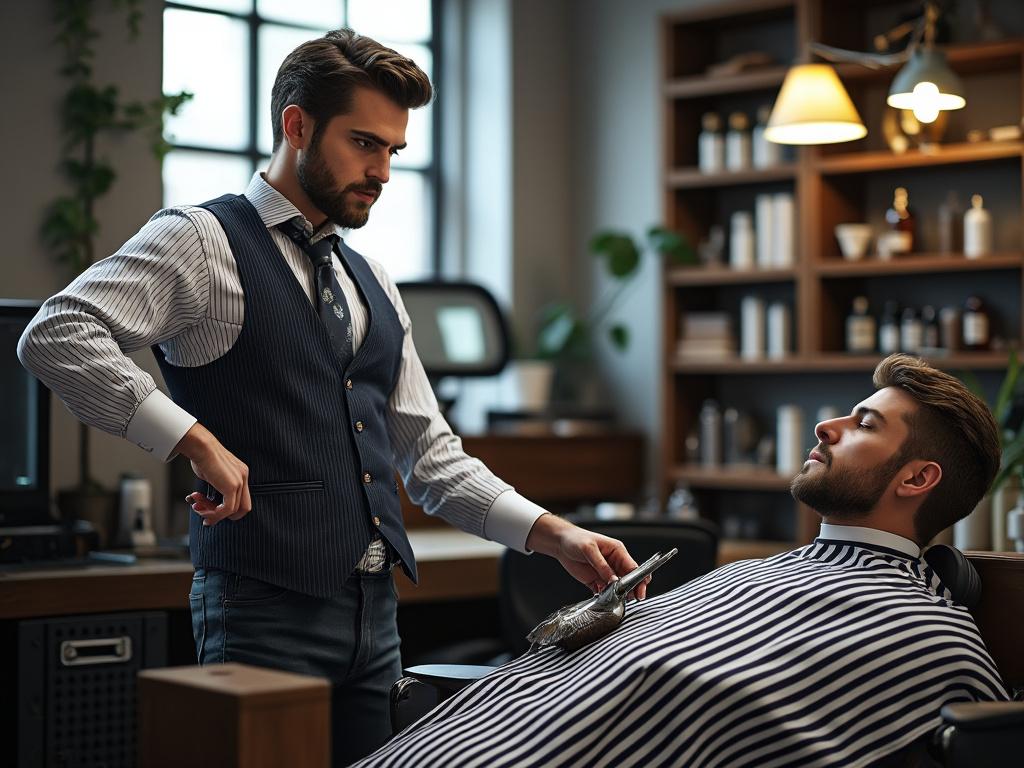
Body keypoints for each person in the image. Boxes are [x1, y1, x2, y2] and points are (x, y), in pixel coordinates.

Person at [18, 28, 647, 766]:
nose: (381, 171)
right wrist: (193, 439)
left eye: (392, 152)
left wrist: (554, 535)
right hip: (261, 611)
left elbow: (431, 458)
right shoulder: (200, 239)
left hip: (376, 618)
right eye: (364, 144)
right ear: (297, 125)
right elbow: (58, 331)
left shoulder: (372, 278)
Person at [355, 354, 1011, 768]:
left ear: (918, 478)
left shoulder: (933, 635)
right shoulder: (754, 573)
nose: (827, 427)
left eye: (865, 425)